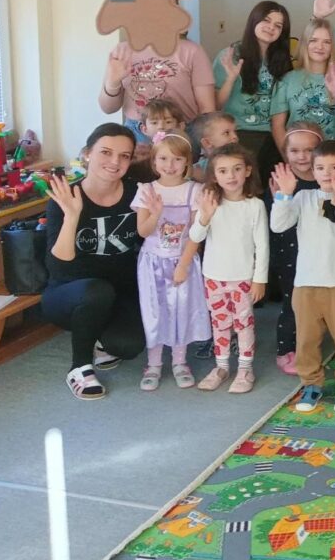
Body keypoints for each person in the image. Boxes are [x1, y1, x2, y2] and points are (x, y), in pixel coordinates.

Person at [43, 124, 145, 400]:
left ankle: (100, 338)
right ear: (87, 154)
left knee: (129, 346)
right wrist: (72, 216)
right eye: (106, 152)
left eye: (124, 156)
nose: (115, 162)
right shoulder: (65, 198)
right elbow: (59, 266)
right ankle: (79, 367)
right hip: (69, 293)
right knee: (97, 291)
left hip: (119, 291)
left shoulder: (137, 193)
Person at [270, 141, 335, 413]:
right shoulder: (303, 197)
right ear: (312, 171)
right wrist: (284, 195)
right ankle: (311, 383)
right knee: (307, 340)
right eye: (320, 167)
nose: (327, 173)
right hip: (306, 285)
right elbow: (278, 224)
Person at [188, 144, 269, 394]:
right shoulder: (210, 202)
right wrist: (205, 215)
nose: (230, 176)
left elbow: (262, 245)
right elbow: (195, 236)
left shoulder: (254, 205)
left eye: (237, 169)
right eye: (223, 171)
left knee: (244, 325)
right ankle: (221, 366)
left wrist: (260, 279)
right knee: (220, 324)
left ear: (248, 171)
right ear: (214, 175)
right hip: (213, 277)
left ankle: (245, 368)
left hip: (243, 277)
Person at [131, 130, 208, 391]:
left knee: (181, 310)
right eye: (163, 158)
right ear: (154, 161)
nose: (170, 165)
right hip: (152, 262)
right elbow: (143, 231)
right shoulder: (147, 190)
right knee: (154, 311)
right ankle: (153, 364)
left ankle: (179, 361)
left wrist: (183, 265)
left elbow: (197, 233)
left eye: (177, 159)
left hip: (182, 260)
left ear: (187, 162)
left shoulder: (195, 191)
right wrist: (156, 213)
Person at [266, 122, 324, 375]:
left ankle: (309, 344)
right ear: (285, 152)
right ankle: (285, 349)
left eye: (309, 150)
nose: (302, 156)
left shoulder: (325, 179)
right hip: (289, 253)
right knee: (293, 301)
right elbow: (274, 219)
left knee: (316, 302)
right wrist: (281, 197)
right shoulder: (282, 180)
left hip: (319, 252)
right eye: (295, 151)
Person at [214, 1, 293, 180]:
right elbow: (215, 105)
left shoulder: (281, 60)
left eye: (278, 25)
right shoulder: (230, 55)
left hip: (271, 134)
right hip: (239, 132)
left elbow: (280, 114)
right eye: (266, 20)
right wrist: (231, 79)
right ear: (254, 20)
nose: (271, 27)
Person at [99, 38, 215, 140]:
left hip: (181, 130)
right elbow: (108, 108)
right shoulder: (121, 51)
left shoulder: (191, 51)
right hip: (138, 132)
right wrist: (113, 82)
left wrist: (208, 141)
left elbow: (207, 109)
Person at [270, 18, 335, 145]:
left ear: (332, 46)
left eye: (327, 42)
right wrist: (289, 156)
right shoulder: (287, 80)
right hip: (299, 154)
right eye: (313, 40)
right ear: (305, 43)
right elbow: (277, 127)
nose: (320, 47)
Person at [129, 99, 188, 183]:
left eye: (168, 122)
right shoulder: (142, 153)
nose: (161, 127)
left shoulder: (183, 149)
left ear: (180, 126)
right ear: (144, 129)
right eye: (154, 123)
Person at [191, 112, 238, 182]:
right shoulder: (195, 171)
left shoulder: (242, 163)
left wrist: (204, 180)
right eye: (226, 133)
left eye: (235, 131)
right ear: (207, 142)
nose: (235, 136)